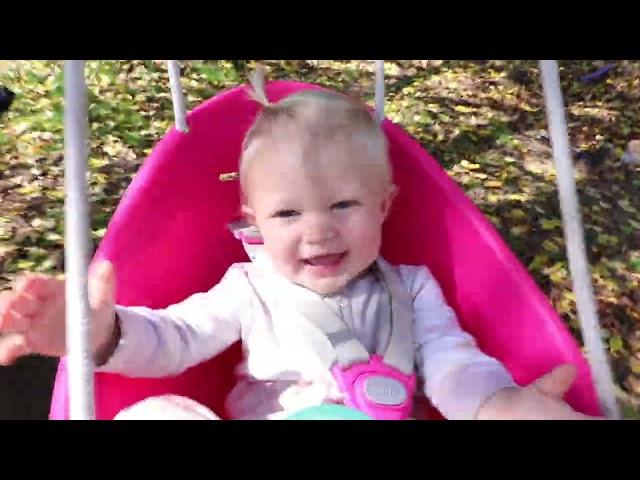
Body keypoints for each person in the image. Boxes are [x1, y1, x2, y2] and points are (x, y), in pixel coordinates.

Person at [0, 68, 600, 420]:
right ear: (253, 220)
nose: (318, 231)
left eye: (343, 205)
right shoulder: (250, 287)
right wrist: (100, 337)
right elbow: (176, 340)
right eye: (288, 213)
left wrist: (497, 405)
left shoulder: (411, 287)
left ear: (384, 205)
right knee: (160, 413)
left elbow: (451, 361)